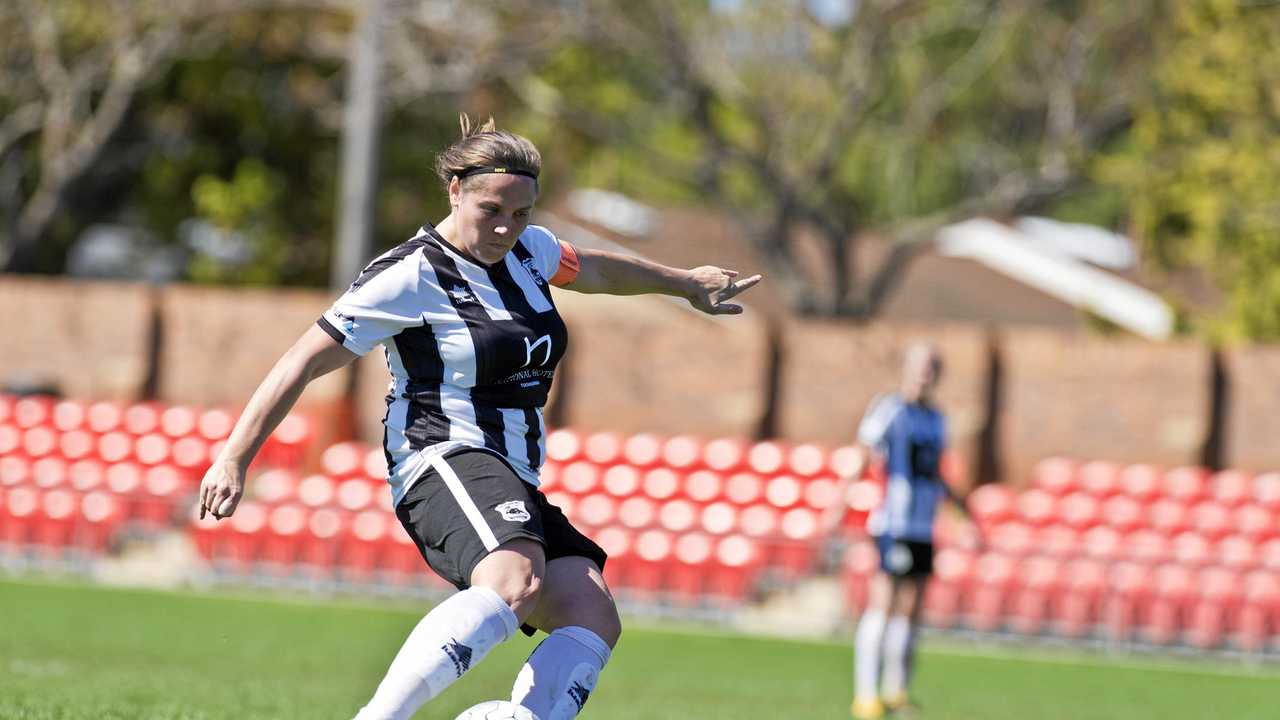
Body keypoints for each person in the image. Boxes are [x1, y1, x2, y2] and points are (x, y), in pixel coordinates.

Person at [195, 115, 762, 720]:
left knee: (590, 612)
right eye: (491, 209)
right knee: (515, 579)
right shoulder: (409, 275)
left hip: (514, 468)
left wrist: (685, 284)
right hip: (442, 452)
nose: (505, 227)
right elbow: (300, 361)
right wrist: (234, 456)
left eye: (520, 214)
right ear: (455, 191)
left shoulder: (530, 253)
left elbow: (595, 270)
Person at [823, 343, 980, 720]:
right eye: (918, 366)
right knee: (885, 601)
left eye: (930, 367)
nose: (923, 374)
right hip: (894, 521)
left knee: (912, 610)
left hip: (924, 526)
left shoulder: (938, 419)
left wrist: (963, 516)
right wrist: (838, 507)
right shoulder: (889, 409)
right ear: (905, 369)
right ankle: (865, 696)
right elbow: (863, 457)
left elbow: (937, 474)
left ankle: (896, 691)